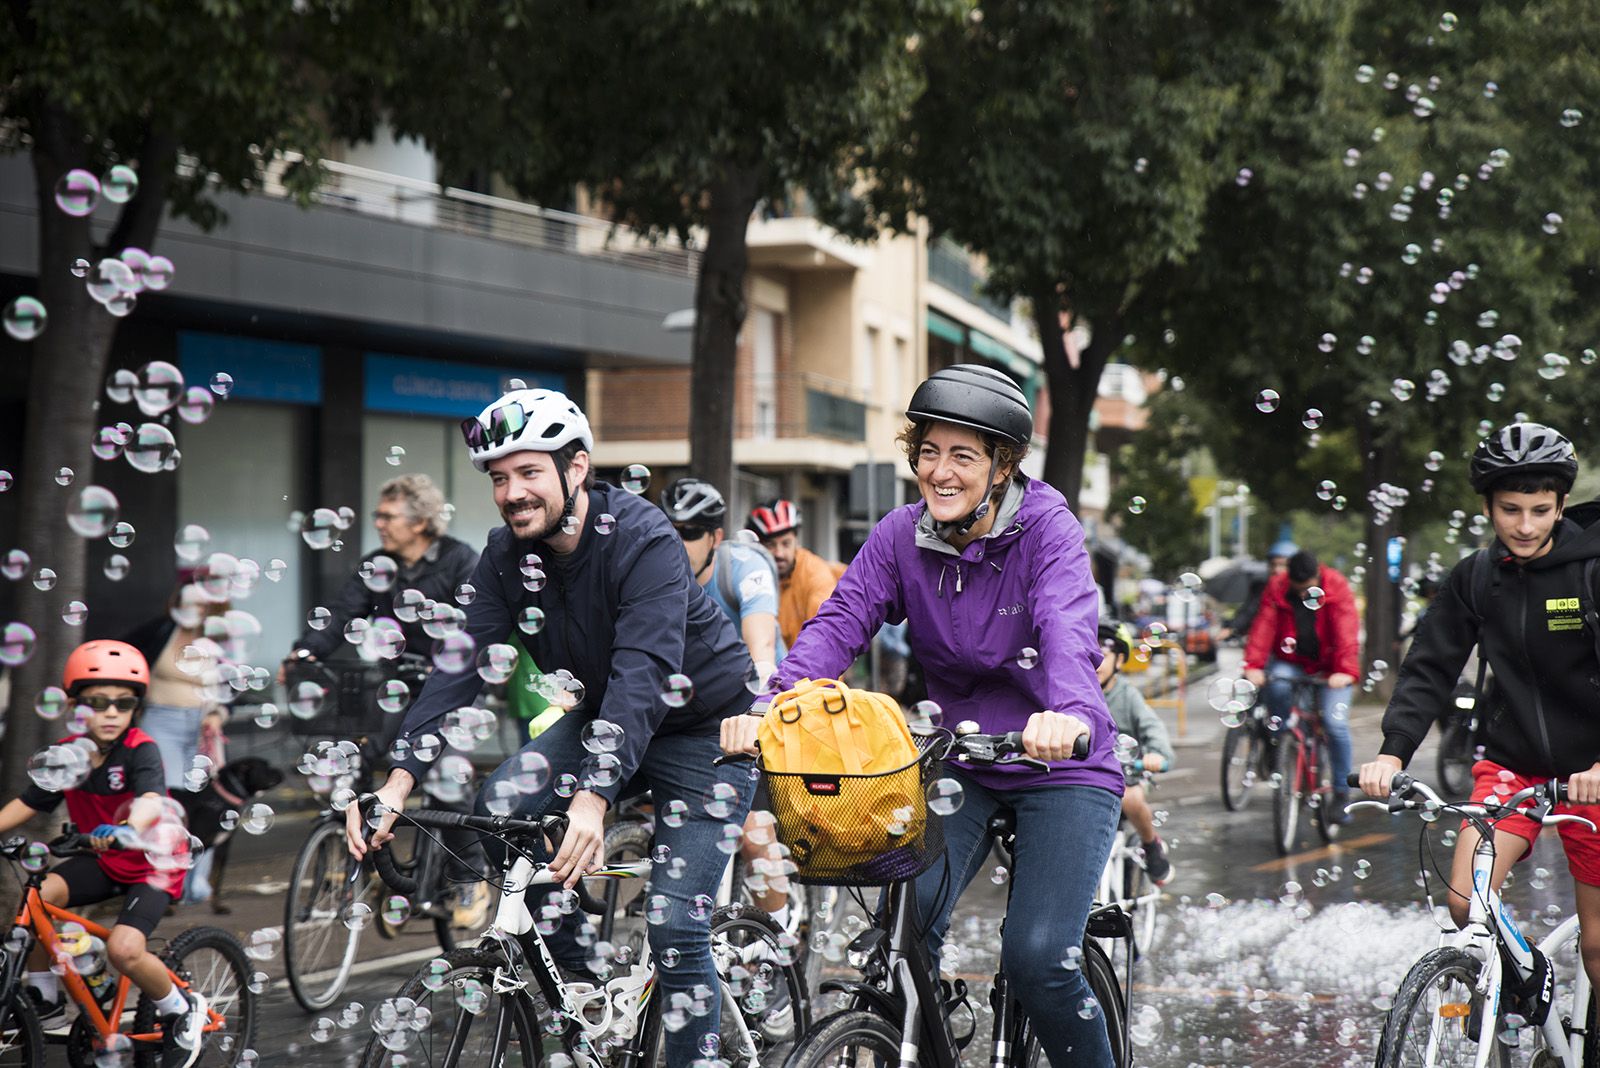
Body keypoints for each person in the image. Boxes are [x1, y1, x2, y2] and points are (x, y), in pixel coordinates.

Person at [723, 364, 1125, 1068]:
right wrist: (772, 706)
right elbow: (840, 621)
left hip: (1061, 761)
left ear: (1002, 467)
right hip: (961, 759)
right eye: (929, 452)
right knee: (899, 938)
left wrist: (1068, 712)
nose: (940, 471)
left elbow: (1067, 627)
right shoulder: (901, 536)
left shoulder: (1048, 530)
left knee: (1037, 957)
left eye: (963, 455)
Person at [345, 387, 759, 1068]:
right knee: (501, 808)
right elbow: (459, 669)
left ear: (577, 468)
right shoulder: (504, 555)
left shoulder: (644, 538)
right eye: (499, 478)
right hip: (604, 718)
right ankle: (593, 986)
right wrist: (396, 786)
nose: (512, 492)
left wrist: (594, 799)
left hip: (702, 732)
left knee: (675, 928)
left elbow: (643, 674)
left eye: (529, 472)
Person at [1359, 422, 1600, 1002]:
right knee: (1466, 903)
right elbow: (1428, 669)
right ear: (1488, 507)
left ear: (1562, 504)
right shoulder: (1476, 577)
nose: (1524, 525)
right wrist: (1392, 753)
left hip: (1593, 774)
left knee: (1597, 946)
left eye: (1540, 510)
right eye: (1510, 509)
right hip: (1513, 765)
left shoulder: (1592, 570)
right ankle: (1523, 993)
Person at [0, 641, 208, 1067]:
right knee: (40, 896)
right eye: (97, 703)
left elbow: (150, 798)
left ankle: (180, 1009)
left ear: (137, 707)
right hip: (104, 858)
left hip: (151, 864)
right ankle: (44, 995)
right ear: (75, 706)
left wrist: (128, 828)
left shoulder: (141, 749)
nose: (111, 713)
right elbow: (30, 802)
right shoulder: (68, 754)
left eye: (123, 703)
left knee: (125, 951)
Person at [281, 473, 478, 672]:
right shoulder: (375, 564)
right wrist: (305, 650)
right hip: (395, 681)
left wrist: (444, 667)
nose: (378, 524)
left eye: (388, 517)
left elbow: (475, 623)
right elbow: (343, 613)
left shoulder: (460, 560)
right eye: (378, 516)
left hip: (451, 679)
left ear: (419, 522)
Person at [124, 576, 230, 905]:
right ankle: (160, 877)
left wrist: (217, 715)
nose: (193, 609)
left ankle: (194, 884)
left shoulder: (217, 640)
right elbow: (125, 656)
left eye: (200, 604)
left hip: (201, 727)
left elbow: (230, 689)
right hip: (160, 721)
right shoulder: (159, 631)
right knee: (165, 798)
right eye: (188, 602)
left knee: (203, 804)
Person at [1243, 549, 1360, 823]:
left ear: (1318, 575)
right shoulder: (1278, 586)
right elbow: (1264, 626)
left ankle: (1342, 793)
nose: (1304, 595)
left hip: (1332, 668)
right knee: (1277, 684)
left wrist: (1344, 671)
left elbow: (1346, 630)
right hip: (1292, 661)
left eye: (1309, 589)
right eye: (1299, 590)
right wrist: (1253, 664)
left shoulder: (1337, 585)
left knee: (1335, 724)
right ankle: (1283, 740)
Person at [662, 477, 783, 676]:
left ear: (716, 538)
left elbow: (762, 647)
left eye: (691, 532)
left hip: (760, 691)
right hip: (700, 690)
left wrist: (761, 696)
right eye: (670, 531)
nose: (678, 542)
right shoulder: (655, 574)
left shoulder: (747, 567)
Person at [1097, 621, 1175, 885]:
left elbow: (1153, 727)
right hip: (1088, 774)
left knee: (1129, 799)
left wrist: (1157, 754)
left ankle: (1150, 844)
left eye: (1102, 655)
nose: (1094, 661)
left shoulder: (1127, 695)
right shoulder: (1076, 693)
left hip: (1129, 772)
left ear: (1119, 660)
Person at [746, 498, 846, 649]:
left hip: (812, 668)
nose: (779, 553)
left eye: (786, 543)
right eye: (770, 545)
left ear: (796, 542)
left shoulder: (814, 573)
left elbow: (825, 637)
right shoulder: (749, 574)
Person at [1220, 537, 1297, 640]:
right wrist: (1232, 628)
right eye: (1273, 565)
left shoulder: (1300, 590)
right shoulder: (1261, 587)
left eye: (1283, 565)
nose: (1277, 570)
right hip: (1266, 641)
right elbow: (1248, 610)